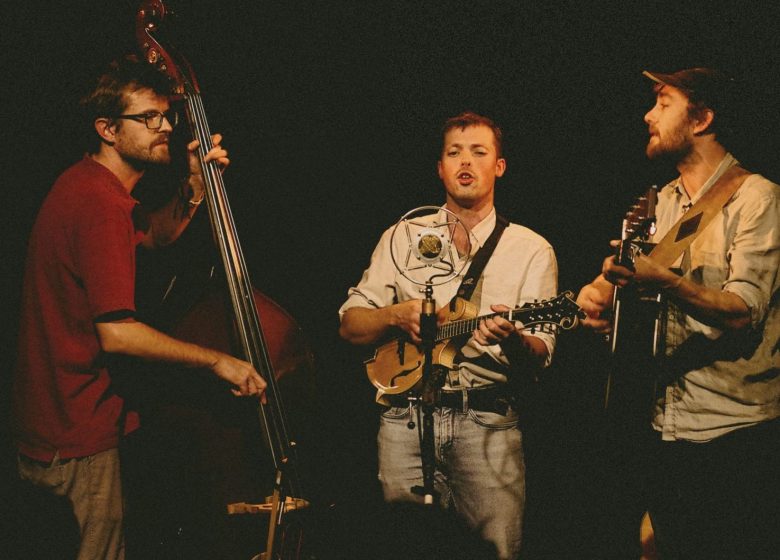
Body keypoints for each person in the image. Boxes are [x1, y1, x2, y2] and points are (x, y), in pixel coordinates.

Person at [12, 55, 266, 560]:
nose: (166, 126)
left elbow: (153, 236)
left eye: (166, 115)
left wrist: (195, 181)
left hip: (54, 423)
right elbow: (118, 333)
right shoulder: (100, 205)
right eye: (149, 118)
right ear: (107, 128)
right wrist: (219, 359)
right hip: (77, 428)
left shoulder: (87, 185)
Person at [577, 68, 780, 559]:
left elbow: (742, 312)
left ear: (702, 118)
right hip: (661, 423)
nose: (648, 115)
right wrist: (603, 298)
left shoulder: (757, 197)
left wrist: (662, 281)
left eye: (663, 103)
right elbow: (626, 297)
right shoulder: (659, 203)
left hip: (734, 431)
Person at [338, 112, 558, 560]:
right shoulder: (403, 236)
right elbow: (350, 325)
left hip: (487, 424)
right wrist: (397, 315)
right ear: (439, 167)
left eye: (480, 152)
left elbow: (541, 351)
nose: (466, 162)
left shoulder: (531, 249)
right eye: (454, 152)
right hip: (404, 421)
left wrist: (513, 338)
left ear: (500, 166)